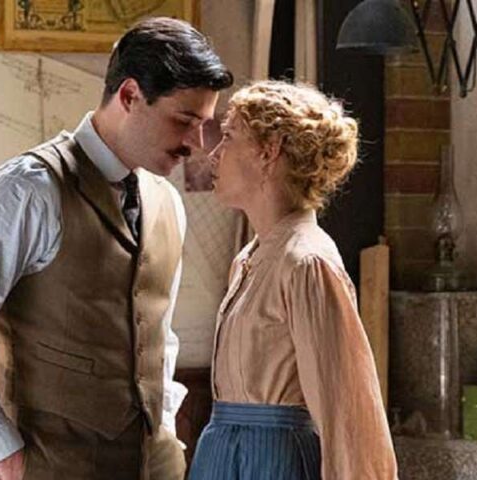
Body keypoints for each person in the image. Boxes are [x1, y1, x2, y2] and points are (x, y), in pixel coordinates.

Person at [0, 17, 233, 480]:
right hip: (50, 464)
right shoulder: (28, 189)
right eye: (184, 120)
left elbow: (157, 336)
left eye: (203, 124)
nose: (195, 144)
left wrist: (163, 426)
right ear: (129, 96)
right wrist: (0, 449)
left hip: (157, 466)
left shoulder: (168, 202)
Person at [189, 81, 397, 479]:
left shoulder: (307, 262)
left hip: (273, 462)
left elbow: (347, 408)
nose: (214, 154)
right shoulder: (249, 258)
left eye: (229, 137)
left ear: (268, 152)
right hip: (224, 455)